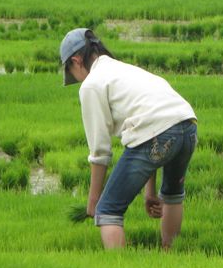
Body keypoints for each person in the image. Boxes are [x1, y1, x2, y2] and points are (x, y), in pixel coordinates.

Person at [60, 28, 197, 249]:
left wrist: (95, 201)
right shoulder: (125, 70)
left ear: (76, 61)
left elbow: (100, 152)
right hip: (188, 125)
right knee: (172, 194)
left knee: (109, 210)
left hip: (157, 132)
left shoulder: (92, 84)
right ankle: (172, 256)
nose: (76, 79)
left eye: (71, 72)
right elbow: (150, 129)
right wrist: (149, 191)